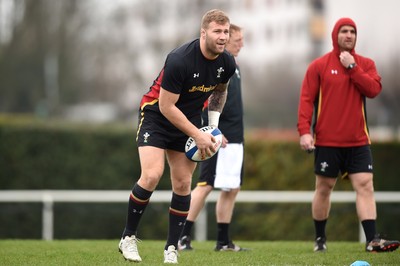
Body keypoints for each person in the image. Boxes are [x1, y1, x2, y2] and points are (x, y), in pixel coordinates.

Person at [118, 9, 236, 264]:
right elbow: (166, 107)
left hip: (190, 120)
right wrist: (198, 135)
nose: (223, 36)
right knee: (151, 175)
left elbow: (219, 93)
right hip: (157, 116)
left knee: (183, 183)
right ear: (203, 33)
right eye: (217, 31)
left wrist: (212, 128)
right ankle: (128, 237)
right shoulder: (180, 59)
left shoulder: (226, 62)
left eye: (226, 31)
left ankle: (171, 247)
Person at [297, 17, 400, 253]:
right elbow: (306, 100)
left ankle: (372, 240)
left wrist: (353, 67)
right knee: (324, 188)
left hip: (358, 141)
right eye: (344, 31)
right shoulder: (318, 66)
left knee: (365, 186)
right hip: (327, 142)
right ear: (335, 35)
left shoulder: (365, 63)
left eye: (352, 31)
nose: (349, 35)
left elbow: (373, 90)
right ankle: (320, 240)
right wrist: (304, 132)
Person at [178, 24, 246, 252]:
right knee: (205, 185)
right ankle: (182, 236)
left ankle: (223, 241)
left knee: (231, 188)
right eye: (237, 39)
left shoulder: (233, 67)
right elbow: (206, 101)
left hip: (236, 138)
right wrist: (213, 131)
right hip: (218, 138)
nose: (240, 43)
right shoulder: (217, 68)